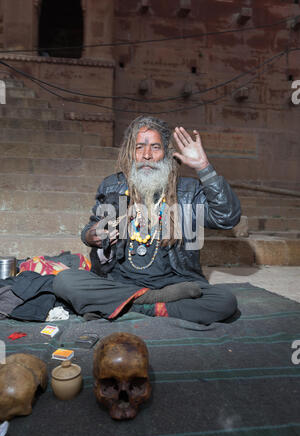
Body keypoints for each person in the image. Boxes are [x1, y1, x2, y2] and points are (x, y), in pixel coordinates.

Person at [53, 116, 241, 324]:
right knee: (65, 281)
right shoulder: (112, 185)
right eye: (139, 147)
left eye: (155, 147)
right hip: (120, 283)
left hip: (175, 284)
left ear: (167, 154)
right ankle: (152, 304)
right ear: (130, 153)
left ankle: (121, 307)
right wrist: (90, 235)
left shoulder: (189, 190)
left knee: (224, 301)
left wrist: (204, 167)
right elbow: (91, 228)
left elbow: (227, 218)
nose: (147, 155)